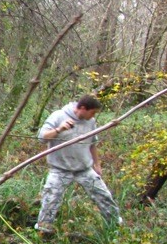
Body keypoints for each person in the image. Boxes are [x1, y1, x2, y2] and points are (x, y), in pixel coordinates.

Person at [34, 94, 122, 236]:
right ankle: (43, 230)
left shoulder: (91, 122)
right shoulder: (58, 116)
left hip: (84, 169)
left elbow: (92, 144)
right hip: (60, 169)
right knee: (51, 198)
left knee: (103, 195)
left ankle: (116, 226)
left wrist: (97, 164)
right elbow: (41, 138)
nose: (93, 116)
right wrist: (59, 130)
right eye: (92, 112)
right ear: (82, 108)